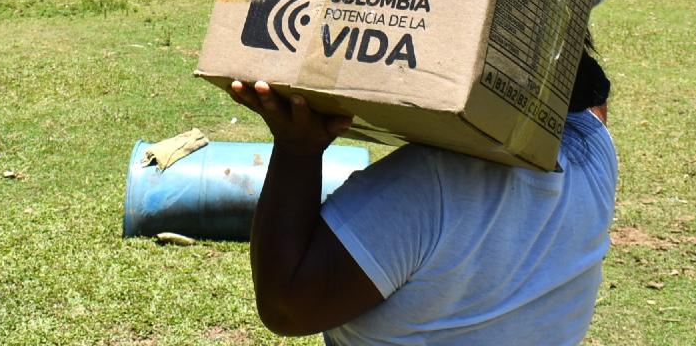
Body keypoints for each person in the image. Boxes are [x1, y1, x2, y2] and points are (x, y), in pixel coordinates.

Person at [227, 50, 616, 345]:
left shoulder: (426, 187)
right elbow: (590, 105)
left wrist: (298, 149)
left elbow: (287, 306)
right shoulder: (595, 148)